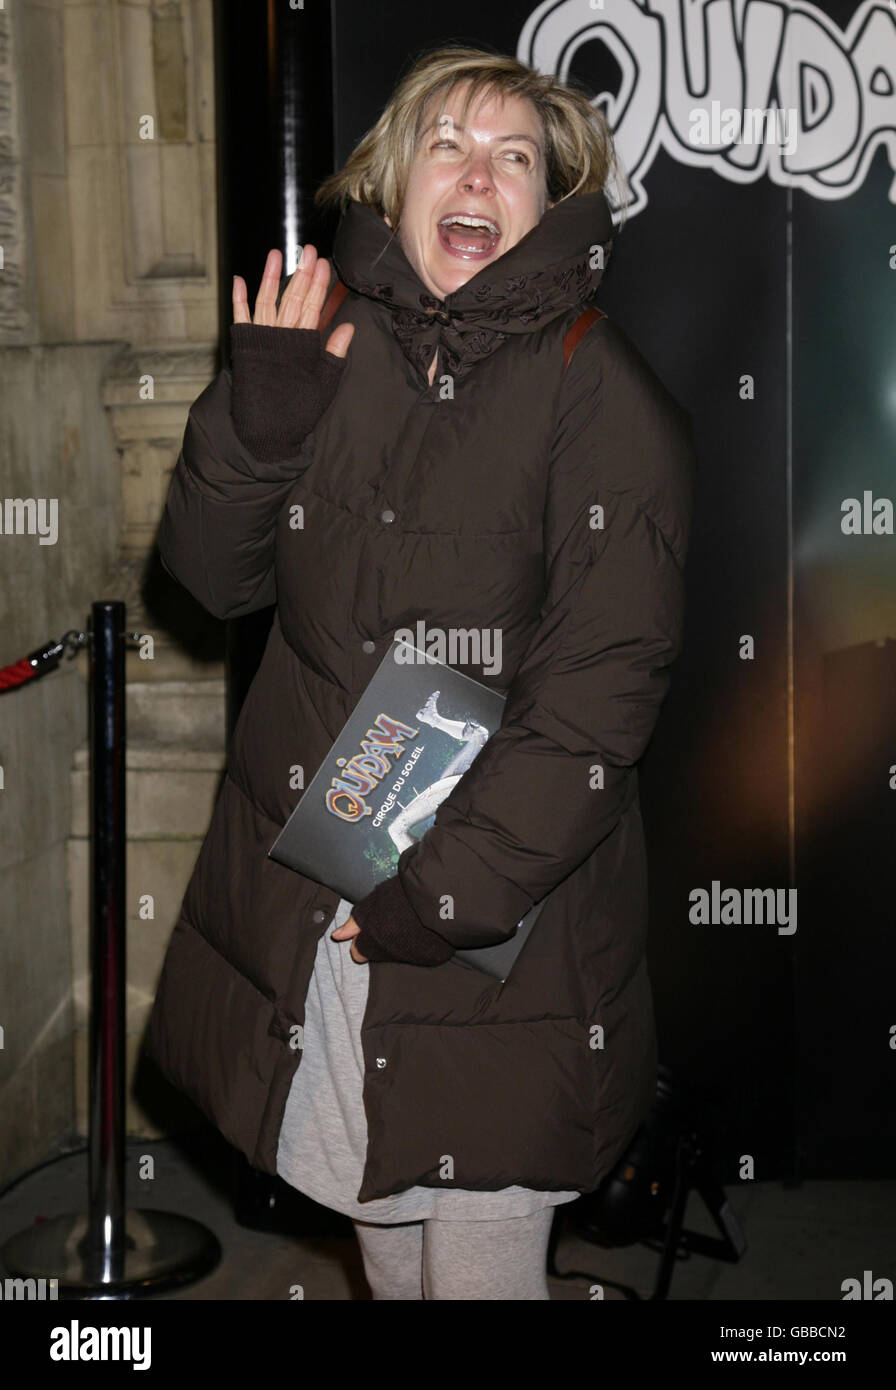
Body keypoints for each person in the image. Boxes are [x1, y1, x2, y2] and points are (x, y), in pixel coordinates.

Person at [146, 43, 697, 1300]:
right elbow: (209, 583)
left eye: (514, 156)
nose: (476, 173)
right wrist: (255, 425)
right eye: (446, 143)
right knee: (384, 1231)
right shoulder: (324, 348)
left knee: (481, 1263)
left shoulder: (598, 389)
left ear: (548, 203)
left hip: (498, 926)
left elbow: (595, 702)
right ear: (393, 180)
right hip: (322, 903)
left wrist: (439, 898)